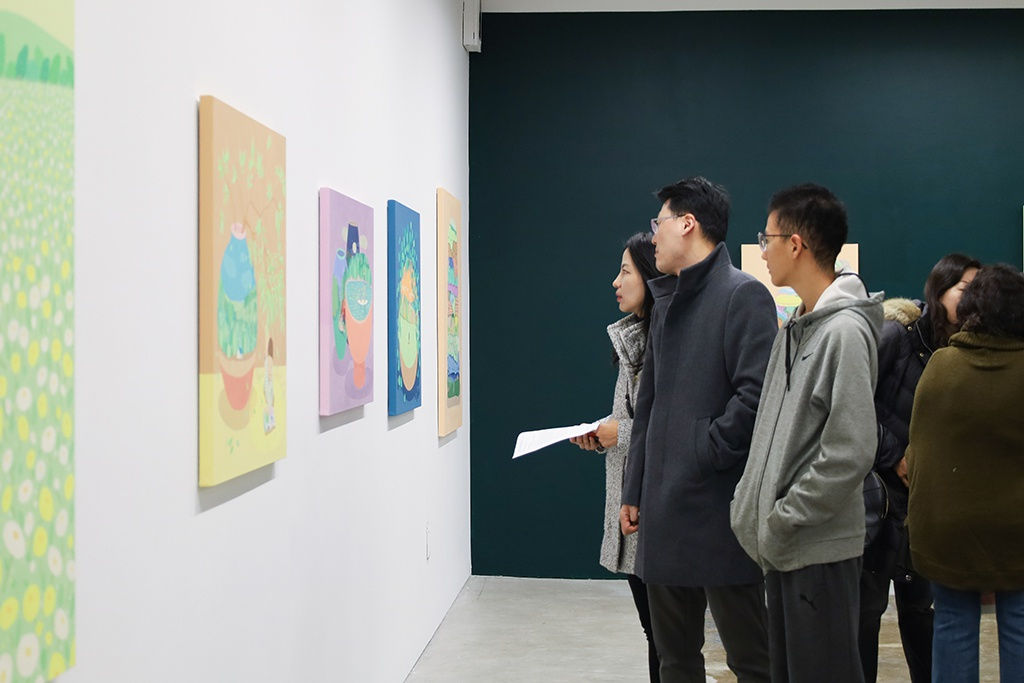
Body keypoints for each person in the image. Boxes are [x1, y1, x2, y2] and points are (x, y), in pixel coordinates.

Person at [620, 176, 776, 683]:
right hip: (664, 509)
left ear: (687, 224)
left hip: (719, 509)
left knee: (751, 660)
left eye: (659, 223)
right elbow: (650, 403)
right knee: (674, 660)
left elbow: (757, 398)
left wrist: (702, 449)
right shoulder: (666, 301)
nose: (654, 235)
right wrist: (635, 484)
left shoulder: (743, 295)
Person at [730, 183, 882, 683]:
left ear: (796, 244)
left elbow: (851, 448)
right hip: (786, 548)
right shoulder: (797, 326)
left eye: (767, 237)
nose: (762, 249)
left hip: (816, 547)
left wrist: (783, 518)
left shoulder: (845, 333)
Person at [858, 253, 979, 683]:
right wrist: (896, 455)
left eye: (978, 291)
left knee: (920, 612)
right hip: (877, 498)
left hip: (926, 505)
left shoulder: (966, 351)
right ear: (938, 289)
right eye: (964, 289)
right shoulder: (897, 335)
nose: (972, 300)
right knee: (866, 613)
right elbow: (853, 404)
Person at [906, 264, 1024, 683]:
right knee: (1020, 626)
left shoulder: (942, 366)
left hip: (948, 532)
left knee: (953, 624)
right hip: (1018, 532)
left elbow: (918, 452)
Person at [570, 232, 662, 681]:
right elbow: (640, 416)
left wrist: (617, 432)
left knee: (665, 636)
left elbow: (671, 426)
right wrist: (604, 432)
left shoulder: (665, 341)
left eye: (626, 271)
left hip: (651, 507)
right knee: (656, 634)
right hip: (634, 502)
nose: (615, 281)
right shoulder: (636, 338)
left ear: (651, 274)